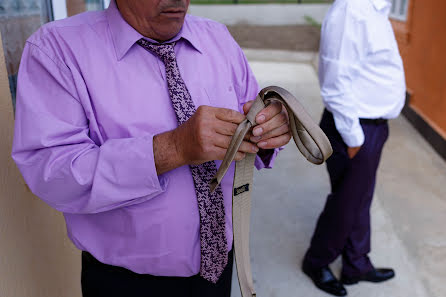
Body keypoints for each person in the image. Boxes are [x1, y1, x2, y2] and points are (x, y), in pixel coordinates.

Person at [12, 0, 292, 296]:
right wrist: (173, 148)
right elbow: (52, 174)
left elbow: (252, 114)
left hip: (220, 267)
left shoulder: (218, 38)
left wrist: (266, 130)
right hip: (125, 284)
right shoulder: (56, 49)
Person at [302, 0, 406, 296]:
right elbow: (335, 83)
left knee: (360, 199)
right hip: (353, 127)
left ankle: (356, 264)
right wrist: (355, 139)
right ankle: (316, 260)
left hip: (371, 125)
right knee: (346, 204)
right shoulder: (352, 10)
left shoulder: (374, 8)